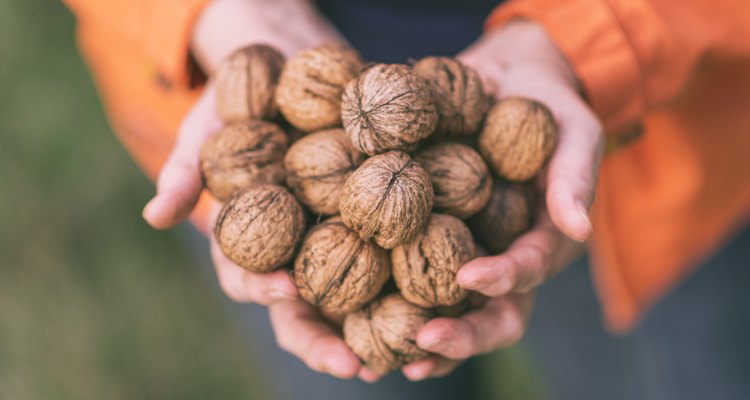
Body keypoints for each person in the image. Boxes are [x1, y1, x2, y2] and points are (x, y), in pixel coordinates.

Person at [63, 0, 750, 398]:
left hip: (662, 157)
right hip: (251, 72)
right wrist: (216, 11)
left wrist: (594, 35)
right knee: (346, 365)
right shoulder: (304, 169)